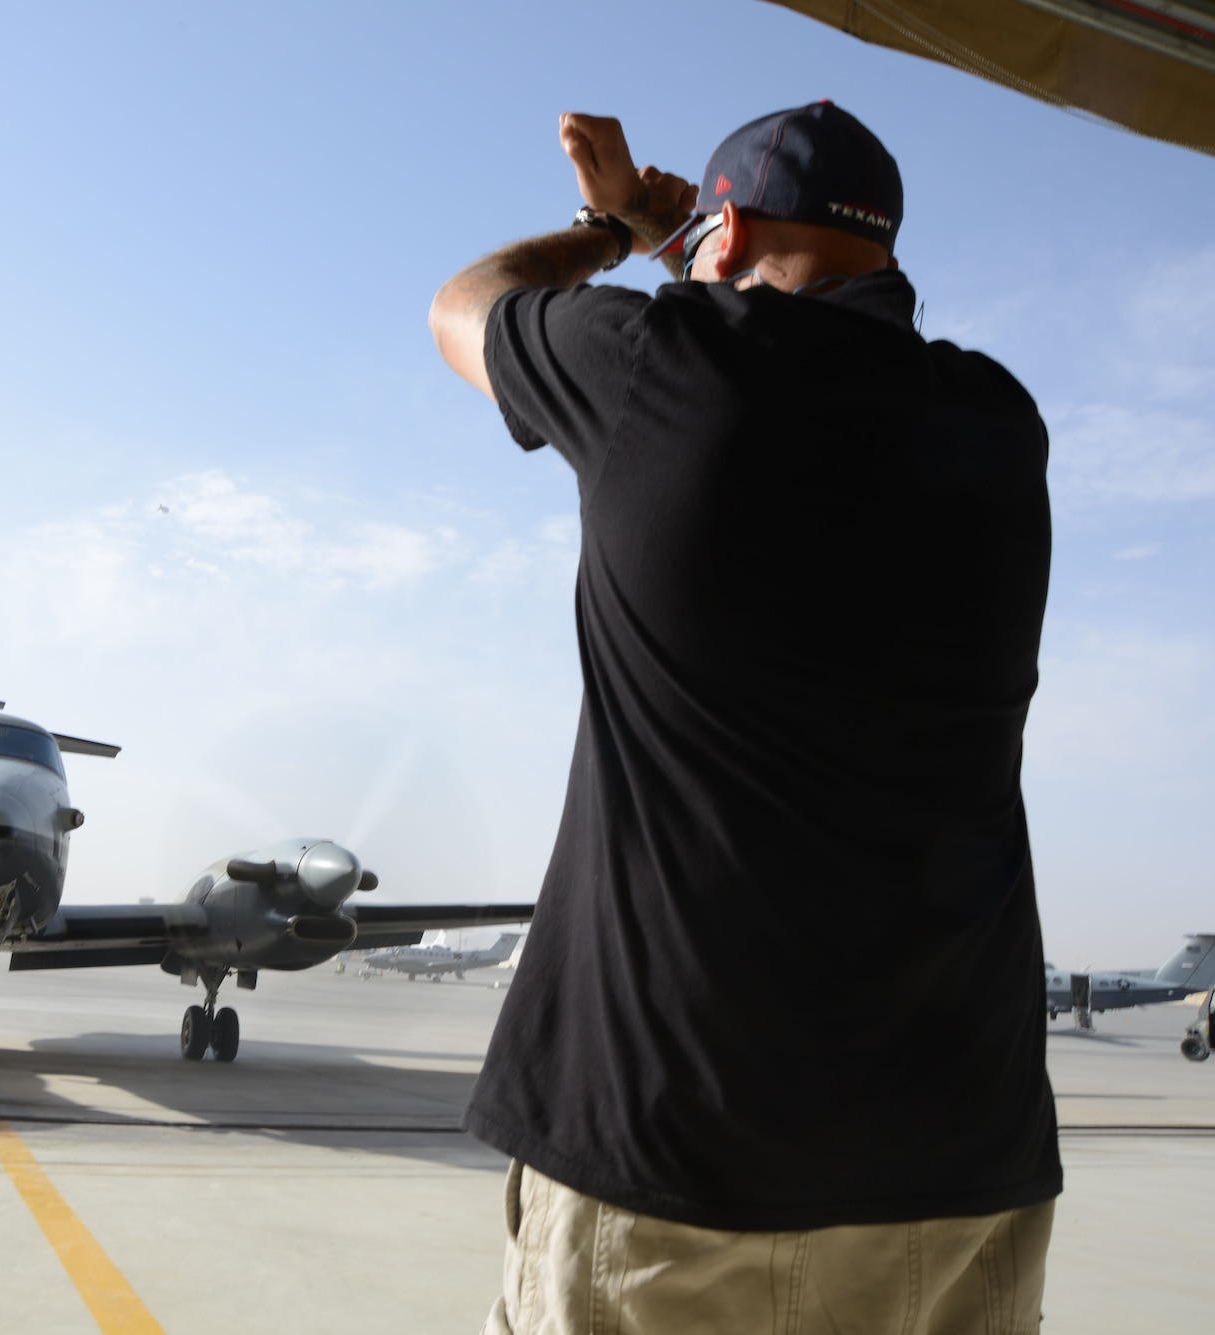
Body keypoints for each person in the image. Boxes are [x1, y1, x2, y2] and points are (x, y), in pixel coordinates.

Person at [428, 103, 1059, 1333]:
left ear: (723, 234)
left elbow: (465, 304)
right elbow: (803, 353)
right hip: (951, 1160)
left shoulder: (658, 366)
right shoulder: (999, 426)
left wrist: (606, 230)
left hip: (668, 1152)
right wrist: (690, 239)